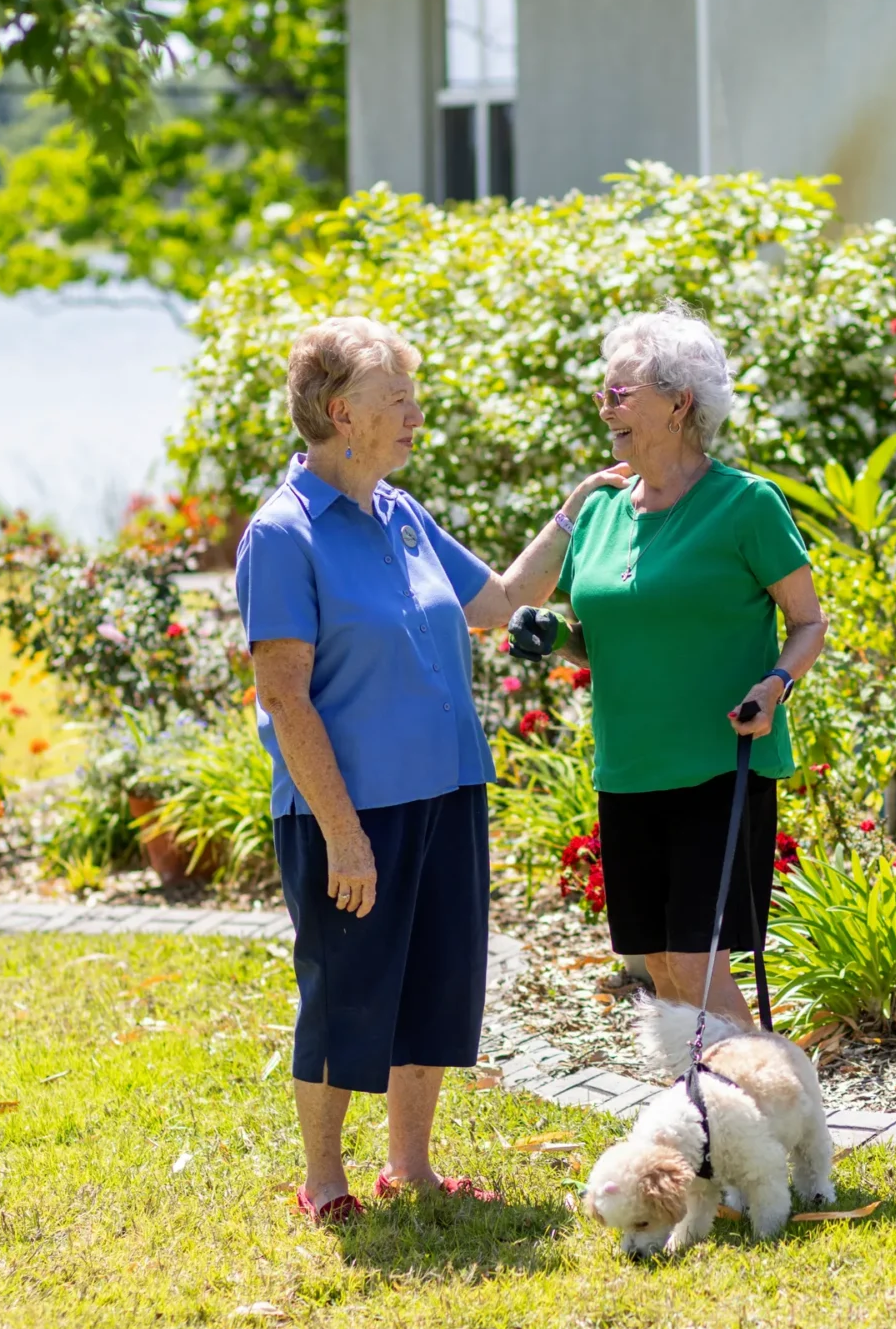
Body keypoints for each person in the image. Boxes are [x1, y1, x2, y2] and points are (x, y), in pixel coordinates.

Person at [237, 316, 626, 1225]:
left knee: (433, 982)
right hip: (351, 809)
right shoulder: (283, 535)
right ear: (341, 413)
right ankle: (325, 1180)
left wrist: (574, 512)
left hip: (446, 788)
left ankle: (409, 1167)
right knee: (347, 990)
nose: (416, 414)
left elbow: (498, 602)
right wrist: (343, 835)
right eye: (397, 401)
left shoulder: (399, 513)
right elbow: (286, 699)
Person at [552, 304, 829, 1026]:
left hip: (718, 762)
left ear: (680, 404)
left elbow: (808, 622)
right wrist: (553, 637)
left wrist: (774, 686)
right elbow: (596, 636)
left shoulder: (745, 505)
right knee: (664, 967)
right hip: (628, 767)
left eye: (620, 392)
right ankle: (709, 1120)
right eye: (602, 391)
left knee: (699, 963)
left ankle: (769, 1109)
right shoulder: (603, 513)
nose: (603, 405)